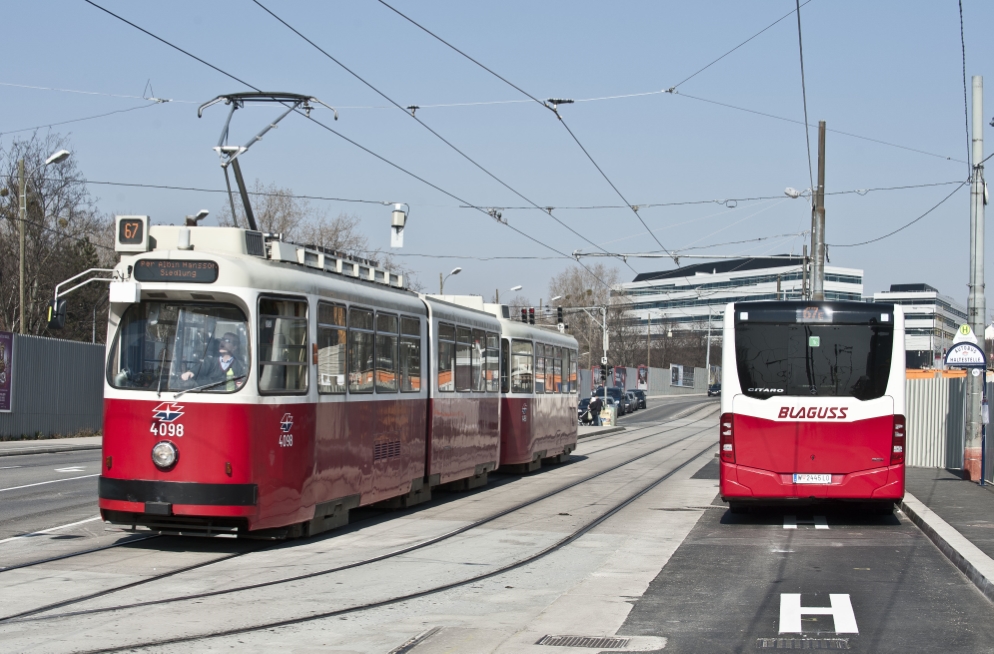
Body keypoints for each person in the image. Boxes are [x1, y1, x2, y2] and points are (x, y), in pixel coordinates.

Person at [181, 332, 245, 390]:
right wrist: (191, 372)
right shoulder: (210, 361)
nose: (222, 342)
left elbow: (242, 384)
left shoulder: (239, 365)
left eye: (227, 341)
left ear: (234, 347)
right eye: (222, 339)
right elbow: (198, 369)